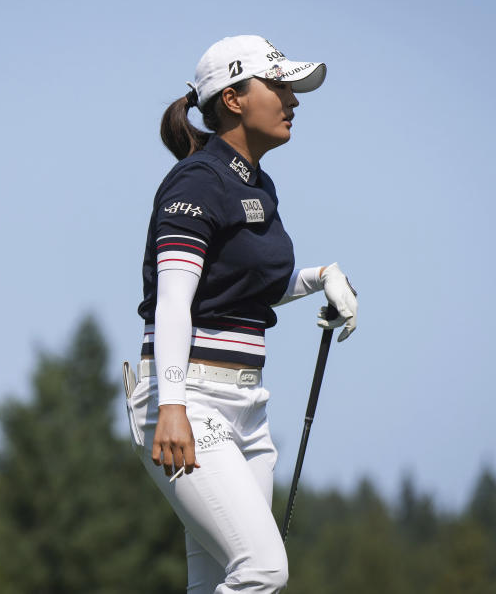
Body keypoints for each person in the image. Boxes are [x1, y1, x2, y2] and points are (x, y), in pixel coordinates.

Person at [124, 35, 358, 593]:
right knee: (262, 570)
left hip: (246, 410)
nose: (292, 101)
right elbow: (174, 301)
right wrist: (173, 405)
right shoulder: (198, 180)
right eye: (278, 86)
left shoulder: (256, 185)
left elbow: (243, 289)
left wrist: (318, 279)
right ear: (232, 99)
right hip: (188, 403)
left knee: (216, 582)